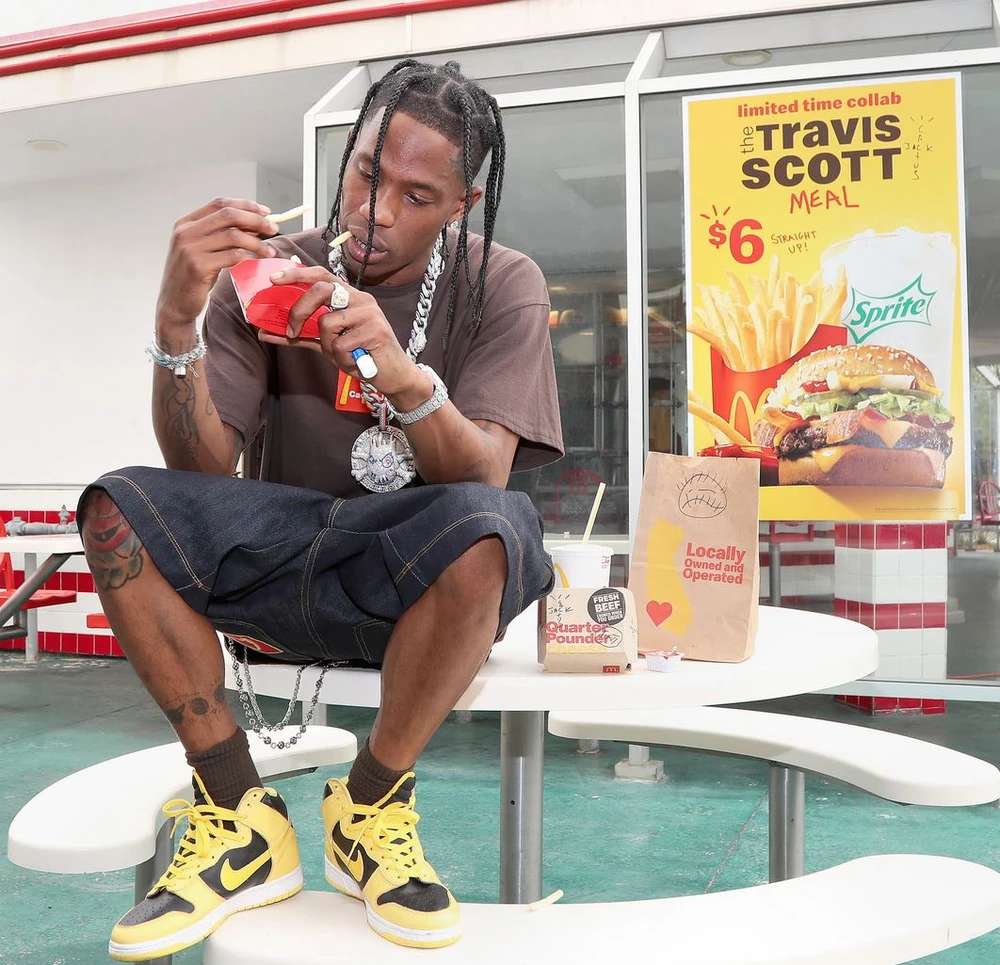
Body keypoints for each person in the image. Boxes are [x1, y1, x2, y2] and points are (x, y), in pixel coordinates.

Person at [77, 59, 563, 960]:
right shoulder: (270, 273)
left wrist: (401, 374)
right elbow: (201, 471)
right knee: (118, 508)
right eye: (368, 173)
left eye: (417, 196)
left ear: (463, 204)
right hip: (280, 553)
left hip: (413, 577)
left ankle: (370, 803)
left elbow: (485, 476)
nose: (377, 210)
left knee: (494, 529)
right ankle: (236, 809)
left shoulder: (503, 281)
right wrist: (177, 323)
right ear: (348, 156)